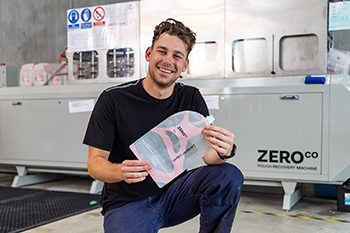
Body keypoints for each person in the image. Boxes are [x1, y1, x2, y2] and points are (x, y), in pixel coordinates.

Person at [83, 18, 244, 233]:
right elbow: (95, 164)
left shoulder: (191, 98)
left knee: (228, 176)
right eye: (162, 52)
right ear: (149, 54)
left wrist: (225, 151)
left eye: (177, 56)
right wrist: (120, 171)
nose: (168, 61)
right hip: (127, 203)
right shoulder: (113, 100)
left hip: (175, 195)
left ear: (185, 65)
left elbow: (209, 157)